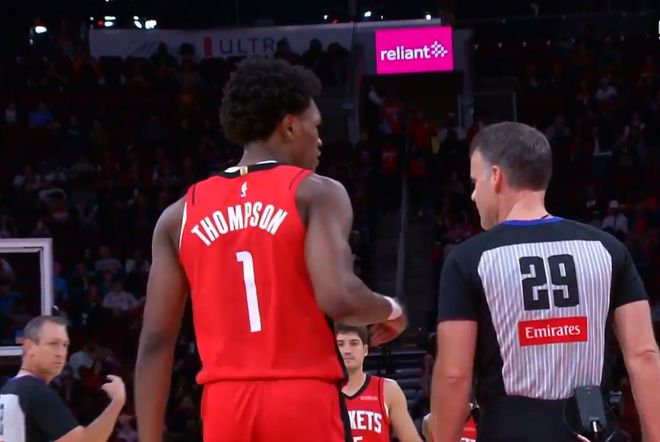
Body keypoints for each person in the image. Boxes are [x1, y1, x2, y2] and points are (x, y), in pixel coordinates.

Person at [135, 57, 406, 442]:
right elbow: (339, 297)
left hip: (225, 406)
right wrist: (391, 309)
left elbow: (155, 343)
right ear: (290, 126)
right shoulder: (316, 192)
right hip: (302, 397)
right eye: (315, 126)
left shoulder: (178, 215)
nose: (320, 139)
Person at [430, 122, 660, 442]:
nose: (472, 194)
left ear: (495, 176)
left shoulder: (469, 259)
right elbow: (644, 354)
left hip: (510, 430)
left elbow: (455, 375)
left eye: (474, 182)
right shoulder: (608, 249)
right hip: (594, 429)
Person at [0, 315, 125, 442]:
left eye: (65, 345)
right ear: (29, 347)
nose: (61, 353)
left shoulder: (6, 390)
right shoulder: (37, 392)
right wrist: (117, 401)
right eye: (53, 344)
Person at [336, 324, 421, 442]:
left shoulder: (388, 390)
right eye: (340, 344)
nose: (347, 351)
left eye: (354, 343)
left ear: (365, 350)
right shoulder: (322, 392)